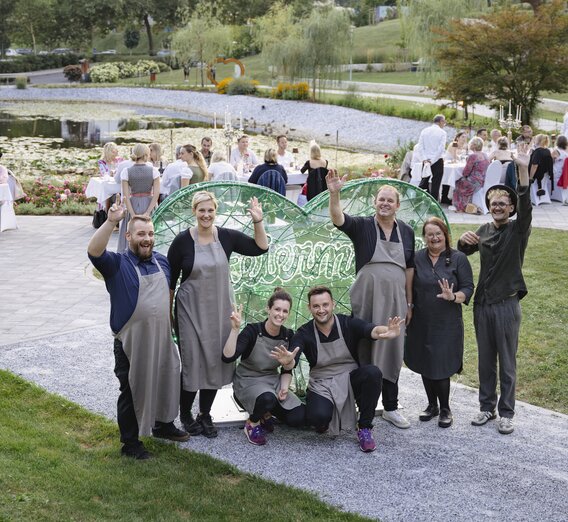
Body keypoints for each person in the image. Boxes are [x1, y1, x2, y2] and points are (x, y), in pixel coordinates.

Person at [88, 209, 189, 460]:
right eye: (141, 234)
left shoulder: (161, 261)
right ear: (129, 236)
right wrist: (112, 221)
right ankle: (130, 443)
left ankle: (163, 425)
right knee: (132, 388)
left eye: (151, 234)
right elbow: (93, 251)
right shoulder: (116, 264)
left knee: (167, 378)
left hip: (162, 336)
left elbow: (167, 295)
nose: (147, 238)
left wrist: (172, 325)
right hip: (130, 341)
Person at [168, 191, 269, 438]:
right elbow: (170, 283)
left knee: (214, 362)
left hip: (220, 311)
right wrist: (167, 316)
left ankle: (205, 414)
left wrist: (258, 221)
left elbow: (261, 247)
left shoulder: (226, 237)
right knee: (192, 364)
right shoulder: (182, 242)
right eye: (201, 210)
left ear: (215, 211)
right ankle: (185, 415)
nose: (206, 215)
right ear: (194, 212)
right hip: (190, 313)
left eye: (210, 210)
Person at [327, 172, 415, 429]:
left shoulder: (407, 232)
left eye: (390, 200)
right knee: (364, 347)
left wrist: (409, 302)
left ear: (397, 206)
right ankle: (362, 405)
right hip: (367, 298)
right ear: (374, 203)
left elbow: (409, 269)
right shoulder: (363, 226)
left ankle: (390, 407)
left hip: (396, 300)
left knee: (392, 349)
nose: (385, 204)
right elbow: (338, 218)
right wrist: (335, 193)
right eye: (381, 200)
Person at [457, 144, 532, 435]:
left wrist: (523, 169)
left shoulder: (518, 229)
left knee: (507, 362)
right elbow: (464, 252)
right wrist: (464, 241)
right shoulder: (484, 230)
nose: (498, 206)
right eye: (494, 202)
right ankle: (486, 408)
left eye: (503, 203)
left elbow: (527, 207)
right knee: (486, 360)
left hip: (506, 304)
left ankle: (507, 413)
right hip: (483, 304)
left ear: (511, 208)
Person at [290, 286, 403, 452]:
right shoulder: (304, 332)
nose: (321, 310)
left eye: (325, 305)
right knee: (317, 418)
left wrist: (386, 331)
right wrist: (288, 361)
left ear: (333, 304)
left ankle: (365, 427)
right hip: (322, 383)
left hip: (349, 378)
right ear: (309, 308)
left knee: (373, 373)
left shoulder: (347, 323)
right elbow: (293, 354)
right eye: (316, 306)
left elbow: (371, 329)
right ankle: (324, 418)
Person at [404, 217, 474, 428]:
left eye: (438, 234)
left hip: (446, 322)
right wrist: (408, 307)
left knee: (441, 365)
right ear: (424, 237)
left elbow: (468, 288)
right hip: (421, 320)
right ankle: (431, 405)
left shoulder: (458, 258)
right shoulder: (417, 258)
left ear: (445, 236)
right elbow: (408, 285)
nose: (434, 238)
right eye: (429, 234)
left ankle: (445, 408)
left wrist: (453, 296)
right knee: (426, 361)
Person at [222, 289, 305, 446]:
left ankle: (265, 413)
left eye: (285, 311)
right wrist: (234, 329)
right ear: (268, 309)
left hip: (273, 381)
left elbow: (288, 369)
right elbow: (227, 357)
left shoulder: (288, 335)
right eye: (277, 309)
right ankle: (252, 423)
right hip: (248, 381)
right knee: (267, 398)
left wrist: (285, 386)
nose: (280, 314)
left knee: (298, 417)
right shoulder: (252, 331)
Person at [117, 144, 160, 253]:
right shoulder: (153, 171)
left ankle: (130, 254)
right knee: (151, 231)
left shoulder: (126, 171)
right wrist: (148, 212)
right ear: (146, 154)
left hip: (133, 204)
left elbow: (125, 196)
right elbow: (156, 194)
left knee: (133, 231)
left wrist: (132, 214)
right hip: (149, 203)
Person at [450, 137, 490, 213]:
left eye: (470, 143)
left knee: (457, 183)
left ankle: (460, 207)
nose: (469, 144)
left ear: (474, 145)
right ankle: (466, 204)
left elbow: (465, 172)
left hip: (474, 182)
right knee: (462, 181)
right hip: (482, 181)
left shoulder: (473, 156)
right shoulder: (485, 154)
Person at [416, 114, 447, 202]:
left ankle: (420, 199)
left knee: (424, 181)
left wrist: (425, 159)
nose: (444, 124)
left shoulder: (424, 131)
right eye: (444, 122)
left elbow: (420, 147)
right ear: (441, 121)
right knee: (436, 183)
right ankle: (433, 202)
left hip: (426, 160)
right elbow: (441, 149)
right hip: (437, 160)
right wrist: (432, 160)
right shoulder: (442, 133)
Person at [551, 134, 568, 204]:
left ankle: (554, 196)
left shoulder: (555, 150)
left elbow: (550, 161)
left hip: (557, 170)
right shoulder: (566, 151)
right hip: (564, 170)